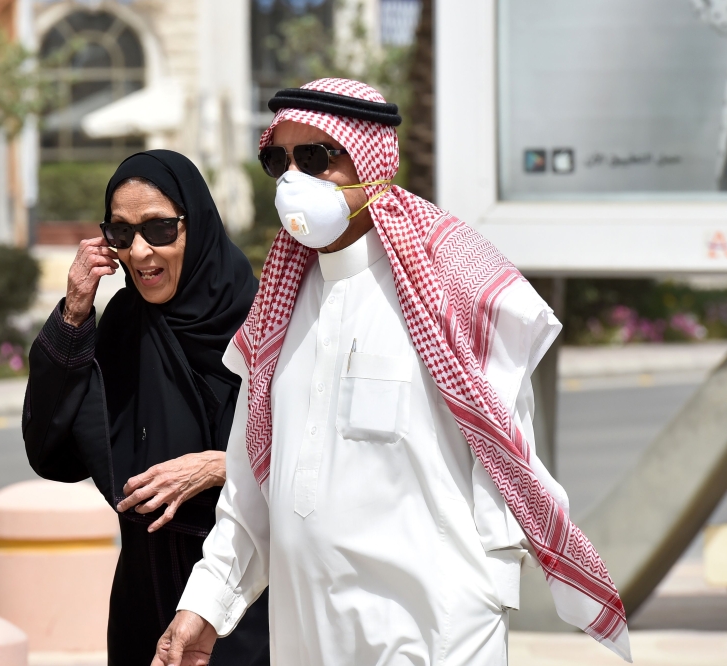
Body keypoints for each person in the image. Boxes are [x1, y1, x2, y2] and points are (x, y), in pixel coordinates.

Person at [156, 80, 630, 666]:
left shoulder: (449, 292)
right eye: (279, 160)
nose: (292, 179)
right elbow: (254, 483)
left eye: (316, 158)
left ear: (372, 162)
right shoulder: (280, 308)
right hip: (307, 630)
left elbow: (506, 466)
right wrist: (204, 604)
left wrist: (484, 600)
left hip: (430, 630)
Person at [23, 150, 269, 666]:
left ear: (194, 224)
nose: (139, 252)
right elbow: (53, 450)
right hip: (144, 590)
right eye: (120, 232)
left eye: (159, 229)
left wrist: (220, 466)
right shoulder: (124, 323)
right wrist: (74, 312)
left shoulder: (261, 323)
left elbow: (318, 453)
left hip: (244, 592)